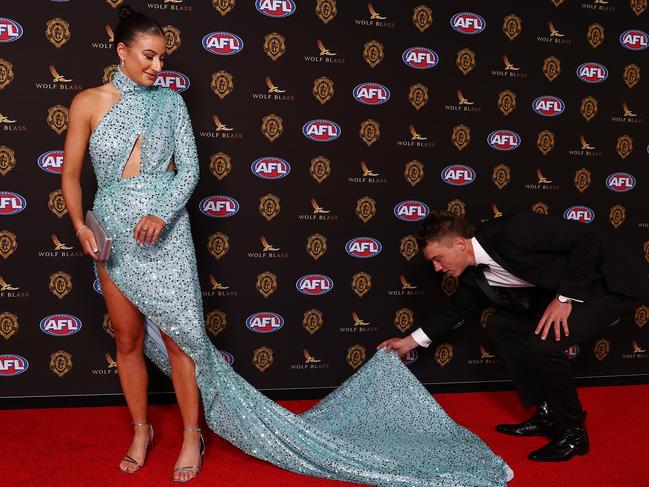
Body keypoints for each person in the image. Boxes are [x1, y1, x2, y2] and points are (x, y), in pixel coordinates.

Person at [62, 6, 513, 486]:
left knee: (183, 343)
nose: (158, 67)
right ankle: (141, 430)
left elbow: (189, 170)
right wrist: (78, 225)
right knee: (127, 339)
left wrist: (162, 212)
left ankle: (193, 434)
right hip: (112, 234)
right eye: (149, 57)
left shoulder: (170, 102)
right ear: (122, 51)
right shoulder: (88, 102)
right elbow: (70, 175)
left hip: (165, 234)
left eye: (163, 58)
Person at [379, 210, 648, 462]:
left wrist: (566, 297)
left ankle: (573, 433)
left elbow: (588, 236)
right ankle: (546, 413)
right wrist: (408, 342)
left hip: (606, 283)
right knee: (501, 326)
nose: (437, 268)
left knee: (545, 343)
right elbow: (452, 311)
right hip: (572, 290)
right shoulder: (474, 277)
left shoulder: (513, 230)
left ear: (459, 244)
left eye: (438, 259)